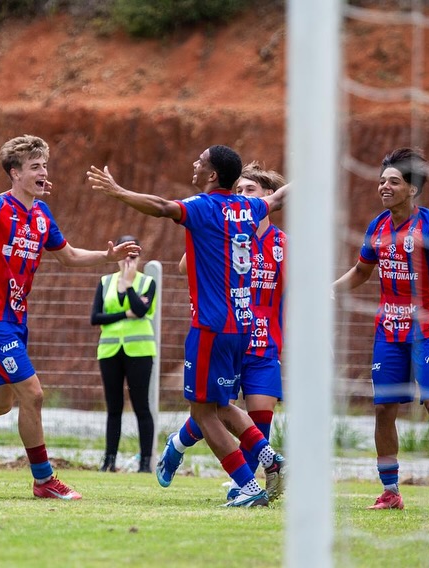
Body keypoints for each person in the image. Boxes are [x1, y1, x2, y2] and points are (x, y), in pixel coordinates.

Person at [0, 134, 139, 500]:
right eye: (35, 167)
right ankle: (44, 480)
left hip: (14, 320)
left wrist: (107, 257)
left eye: (45, 166)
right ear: (15, 173)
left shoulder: (42, 215)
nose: (43, 172)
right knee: (33, 394)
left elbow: (68, 256)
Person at [88, 145, 288, 507]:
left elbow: (163, 207)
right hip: (241, 327)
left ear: (212, 175)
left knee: (202, 411)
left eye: (201, 161)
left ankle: (246, 484)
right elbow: (280, 199)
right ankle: (268, 456)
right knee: (221, 405)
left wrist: (119, 192)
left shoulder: (202, 206)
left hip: (211, 326)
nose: (194, 164)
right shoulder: (248, 207)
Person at [332, 147, 429, 513]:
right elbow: (362, 271)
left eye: (394, 182)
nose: (385, 187)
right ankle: (390, 491)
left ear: (412, 189)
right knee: (384, 410)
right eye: (382, 181)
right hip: (389, 332)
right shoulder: (378, 227)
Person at [165, 163, 288, 501]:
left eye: (250, 191)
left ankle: (246, 485)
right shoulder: (229, 233)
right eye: (239, 190)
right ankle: (179, 445)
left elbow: (293, 295)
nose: (242, 196)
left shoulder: (283, 244)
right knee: (214, 409)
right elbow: (185, 266)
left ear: (266, 199)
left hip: (264, 343)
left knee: (256, 415)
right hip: (232, 332)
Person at [90, 234, 156, 473]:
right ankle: (109, 460)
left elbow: (140, 311)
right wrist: (123, 314)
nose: (128, 261)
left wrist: (128, 286)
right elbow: (95, 317)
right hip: (109, 351)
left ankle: (146, 462)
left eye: (133, 256)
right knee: (114, 407)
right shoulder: (105, 282)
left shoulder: (147, 283)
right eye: (124, 256)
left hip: (139, 351)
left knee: (141, 406)